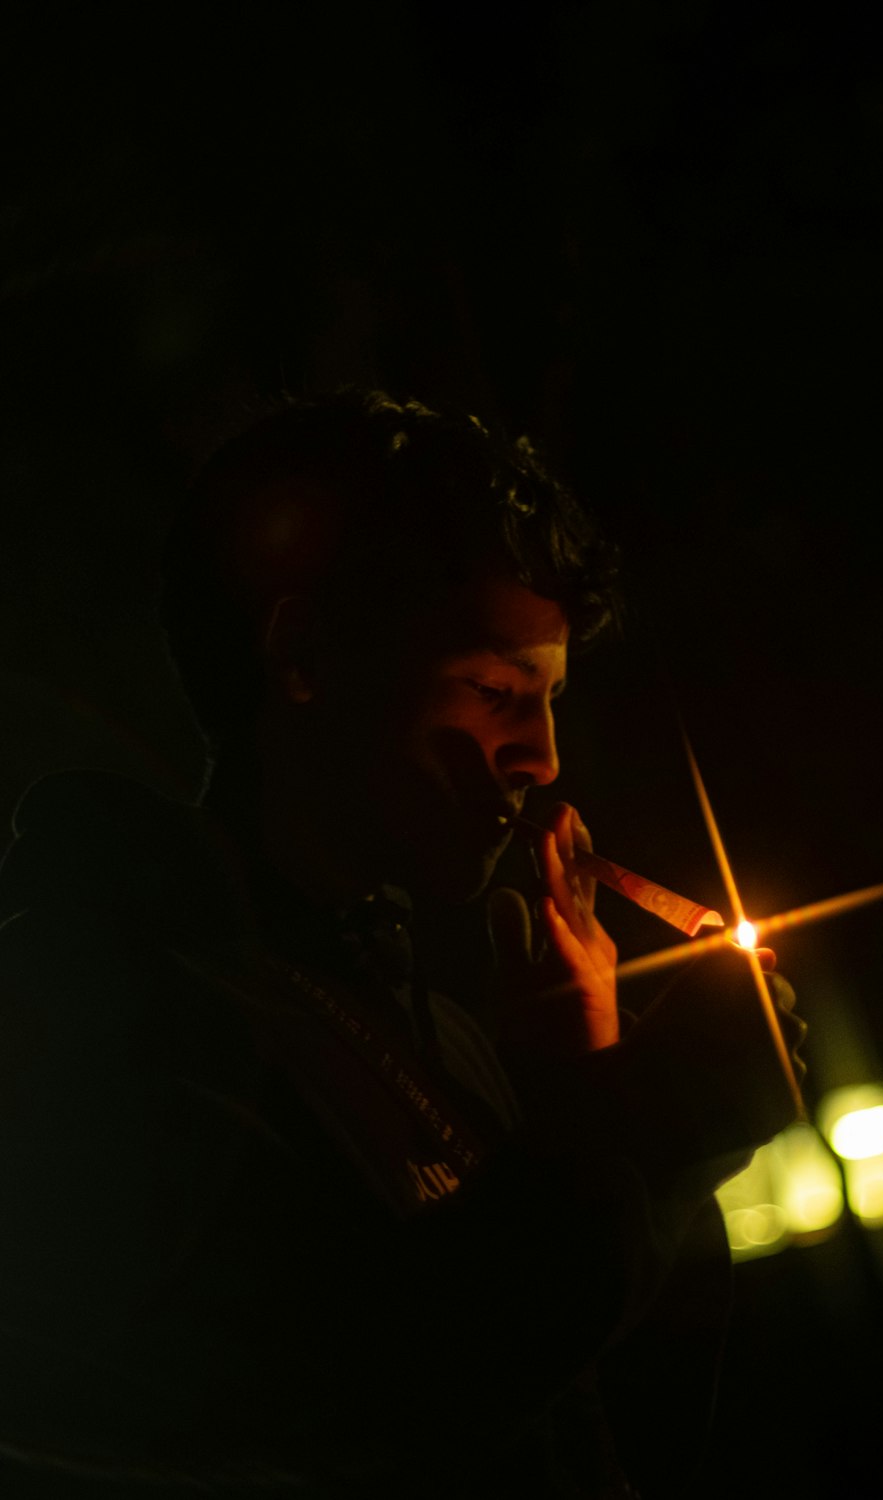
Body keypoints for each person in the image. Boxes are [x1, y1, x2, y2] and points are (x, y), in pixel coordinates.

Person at [0, 389, 804, 1497]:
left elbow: (602, 1446)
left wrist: (586, 1076)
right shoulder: (96, 1014)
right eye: (491, 691)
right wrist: (641, 1132)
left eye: (552, 700)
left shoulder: (444, 1034)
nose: (541, 757)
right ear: (306, 654)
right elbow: (346, 1394)